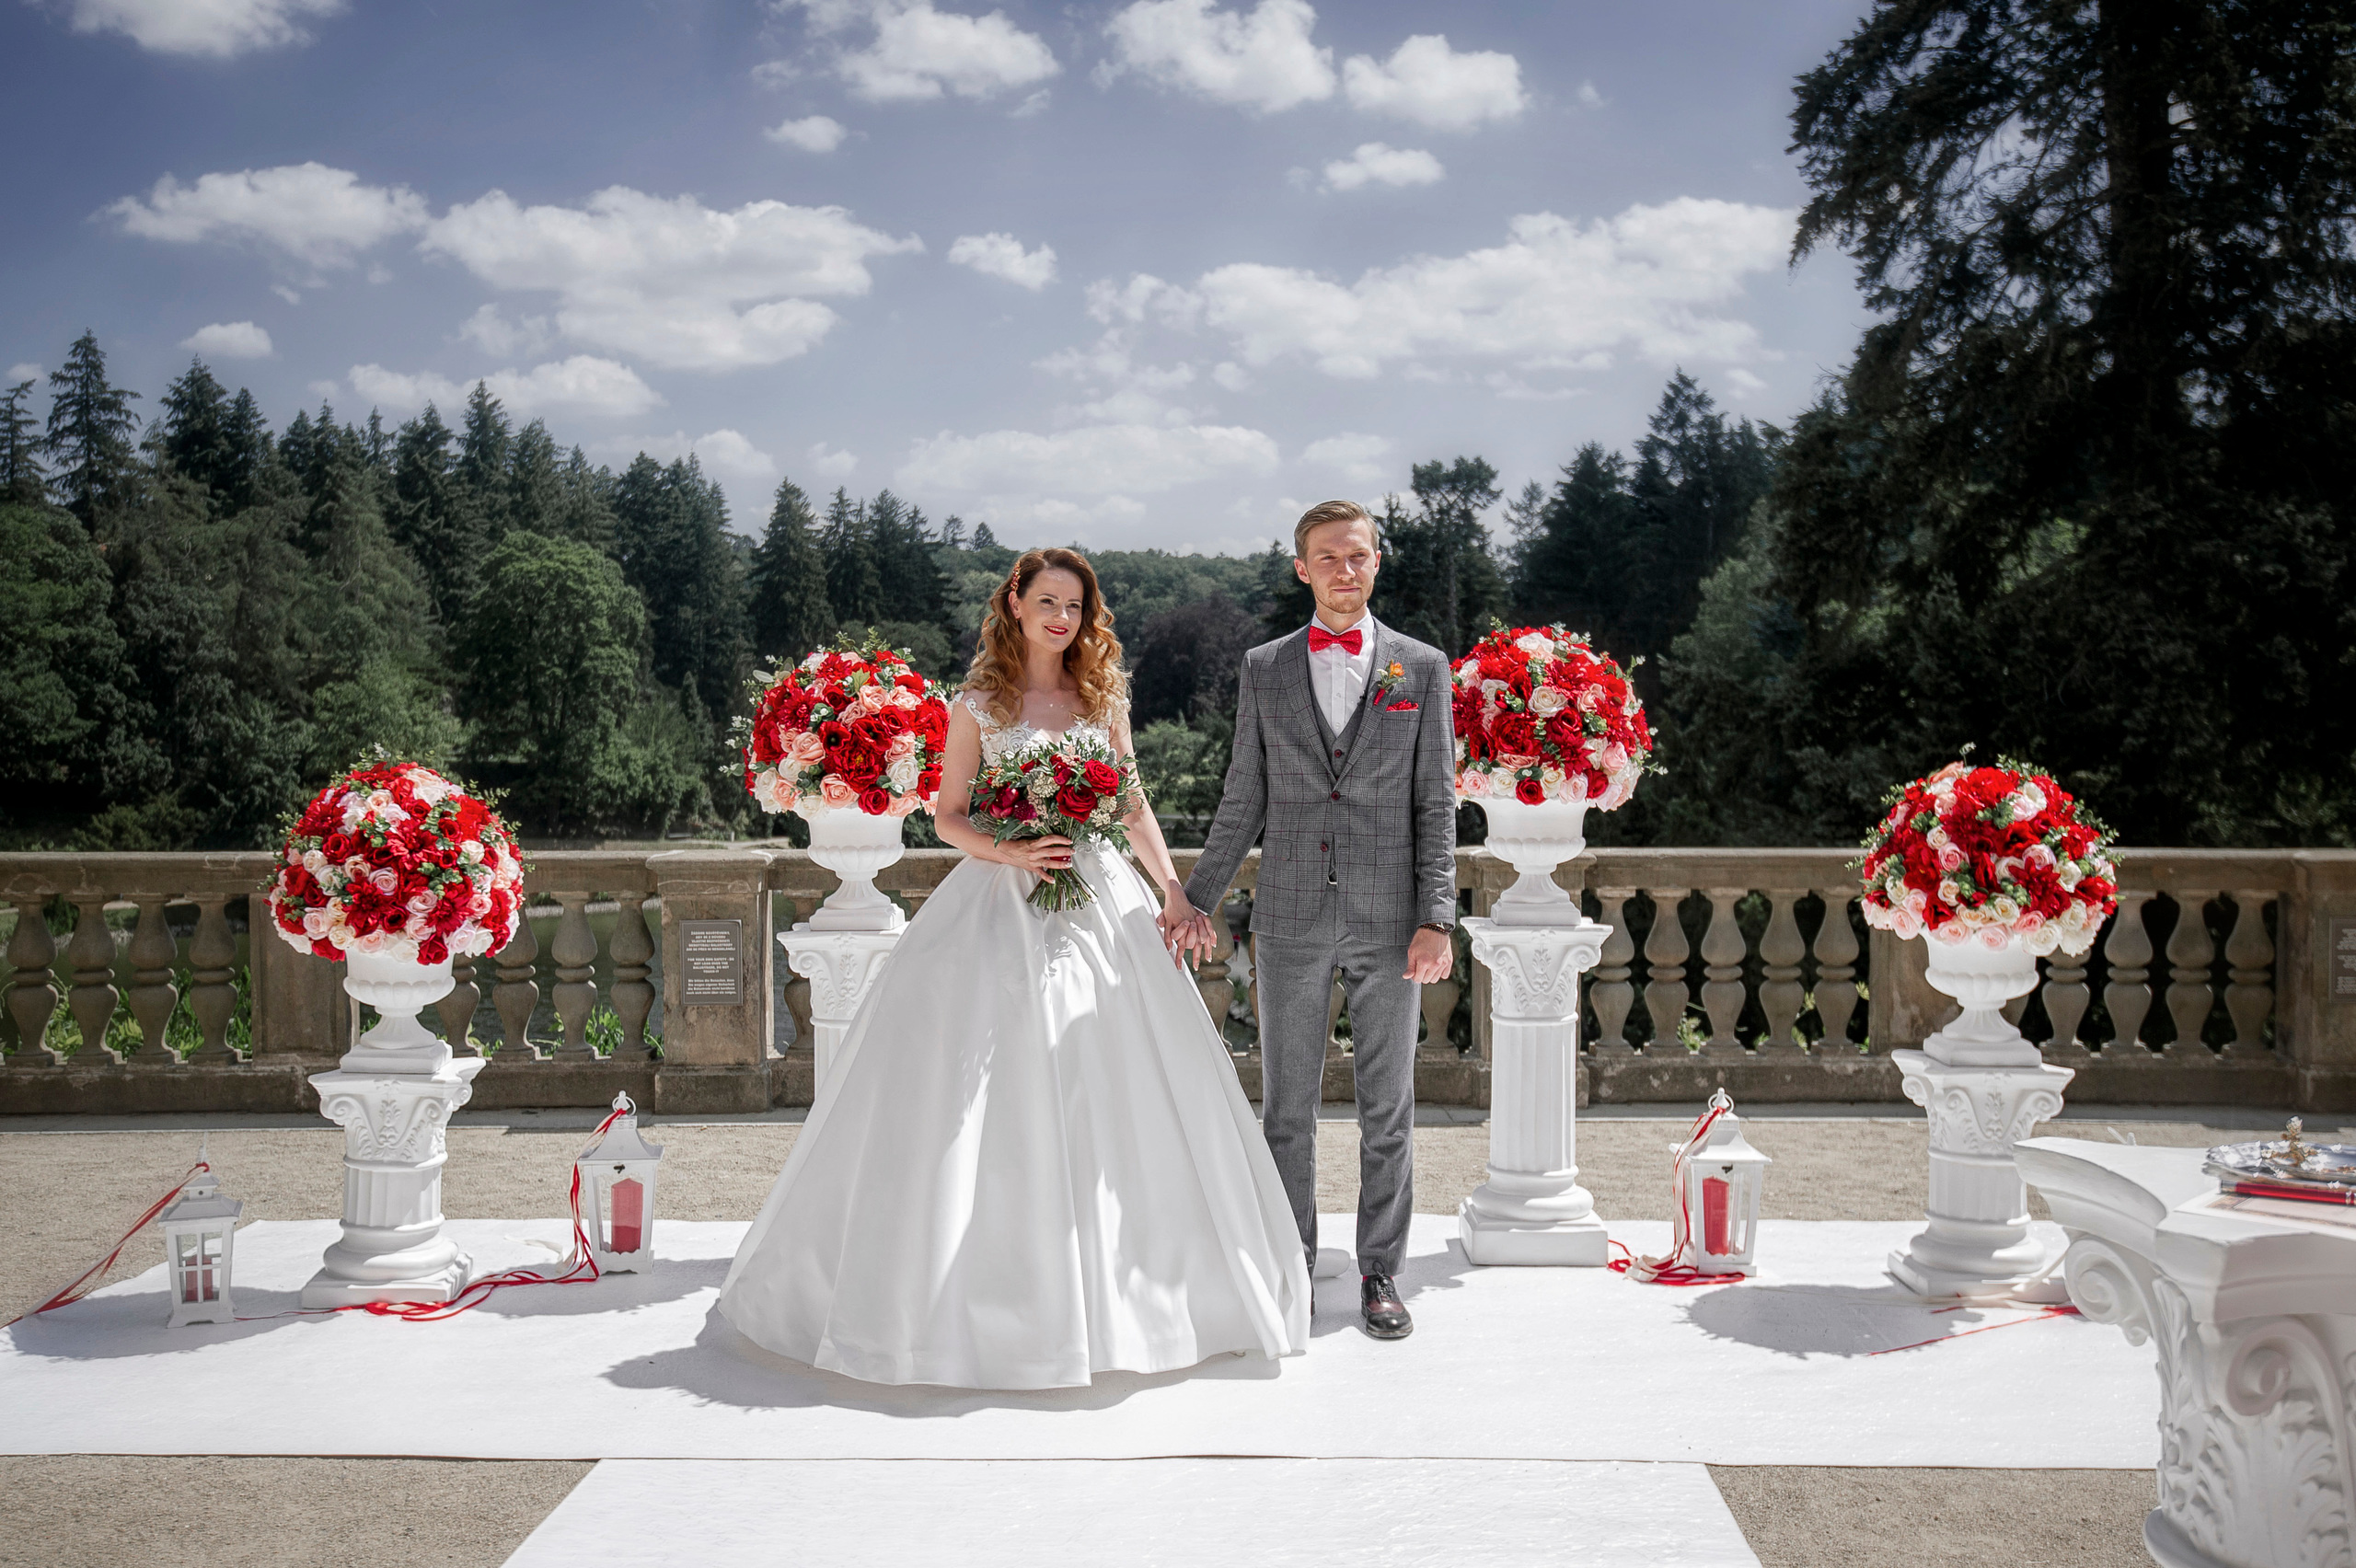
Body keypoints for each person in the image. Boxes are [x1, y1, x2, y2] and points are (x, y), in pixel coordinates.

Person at [718, 547, 1309, 1390]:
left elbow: (1131, 800)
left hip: (1101, 896)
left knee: (1117, 1075)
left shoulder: (1104, 698)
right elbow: (949, 817)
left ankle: (1139, 1297)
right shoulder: (980, 704)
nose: (1061, 617)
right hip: (1001, 898)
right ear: (1016, 605)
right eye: (1047, 602)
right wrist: (1017, 849)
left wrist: (1173, 890)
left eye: (1074, 605)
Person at [1176, 500, 1458, 1342]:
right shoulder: (1264, 667)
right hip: (1291, 917)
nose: (1344, 569)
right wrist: (1196, 898)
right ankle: (1290, 1266)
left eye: (1358, 556)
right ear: (1302, 568)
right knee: (1285, 1110)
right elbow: (1243, 795)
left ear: (1378, 564)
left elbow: (1435, 802)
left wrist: (1436, 915)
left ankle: (1380, 1272)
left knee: (1389, 1109)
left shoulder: (1421, 669)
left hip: (1391, 919)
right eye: (1327, 557)